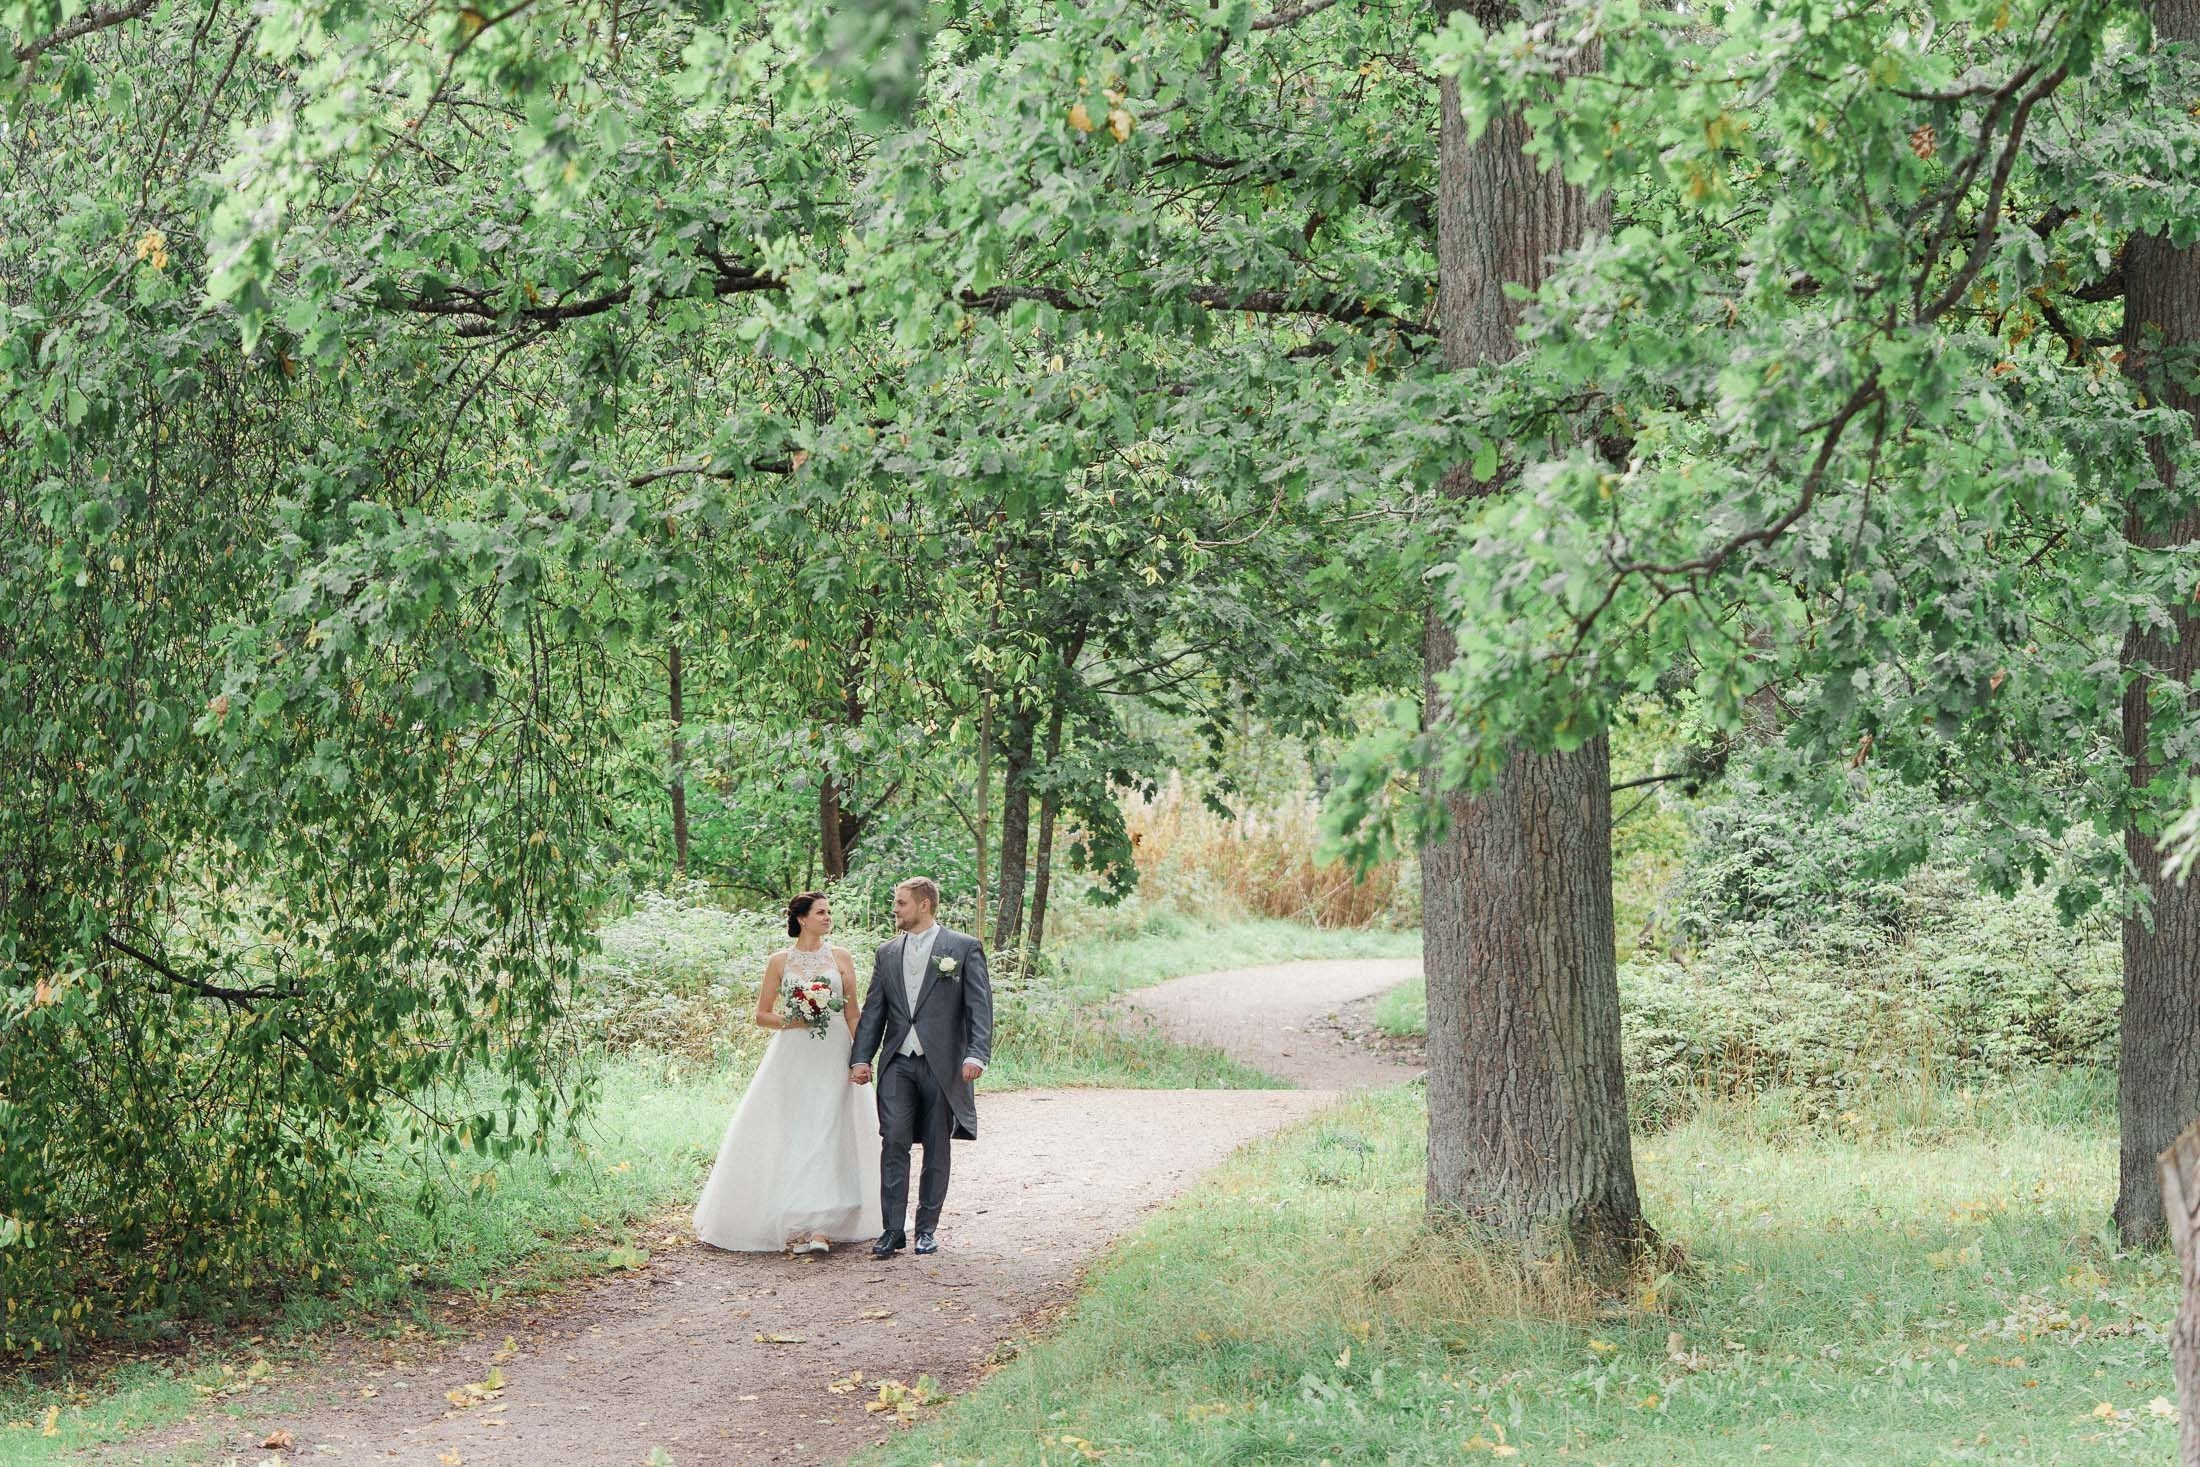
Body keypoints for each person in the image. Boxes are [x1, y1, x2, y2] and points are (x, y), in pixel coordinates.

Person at [693, 892, 882, 1253]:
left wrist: (863, 1056)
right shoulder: (780, 961)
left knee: (830, 1128)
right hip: (794, 1055)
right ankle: (795, 1217)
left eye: (830, 912)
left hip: (833, 1053)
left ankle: (823, 1226)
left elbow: (853, 1013)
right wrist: (793, 1020)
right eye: (821, 912)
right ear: (801, 919)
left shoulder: (840, 957)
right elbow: (762, 1014)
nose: (828, 918)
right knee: (797, 1129)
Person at [848, 876, 994, 1258]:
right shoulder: (887, 953)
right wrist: (861, 1057)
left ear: (924, 905)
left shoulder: (962, 948)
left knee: (936, 1145)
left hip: (944, 1064)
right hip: (898, 1060)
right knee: (893, 1140)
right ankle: (892, 1230)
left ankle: (926, 1230)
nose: (894, 909)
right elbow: (875, 1009)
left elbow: (979, 1007)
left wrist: (976, 1054)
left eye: (901, 903)